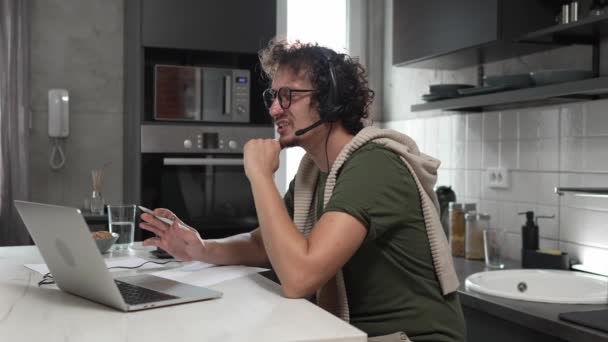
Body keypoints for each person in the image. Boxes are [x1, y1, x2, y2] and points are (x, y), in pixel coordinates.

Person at [139, 39, 465, 342]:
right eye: (273, 97)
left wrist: (261, 177)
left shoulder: (374, 164)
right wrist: (202, 248)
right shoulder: (315, 171)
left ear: (331, 100)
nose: (274, 110)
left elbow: (299, 278)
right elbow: (264, 242)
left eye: (288, 96)